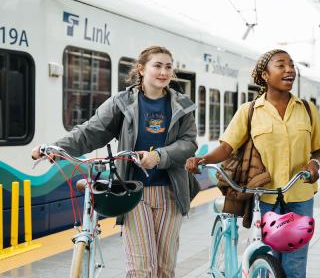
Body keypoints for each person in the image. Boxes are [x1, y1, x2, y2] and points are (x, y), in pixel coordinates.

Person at [32, 45, 198, 278]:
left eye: (168, 67)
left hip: (170, 192)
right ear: (141, 69)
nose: (163, 72)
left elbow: (188, 143)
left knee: (164, 268)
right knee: (140, 268)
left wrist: (159, 156)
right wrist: (57, 148)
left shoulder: (182, 105)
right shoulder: (122, 103)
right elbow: (90, 132)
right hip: (132, 192)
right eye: (157, 66)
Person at [185, 49, 320, 278]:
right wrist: (203, 160)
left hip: (299, 195)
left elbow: (317, 148)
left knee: (296, 263)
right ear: (265, 75)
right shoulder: (249, 111)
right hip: (263, 197)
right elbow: (227, 147)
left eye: (291, 65)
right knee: (266, 255)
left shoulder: (307, 110)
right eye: (281, 65)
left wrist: (314, 164)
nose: (289, 70)